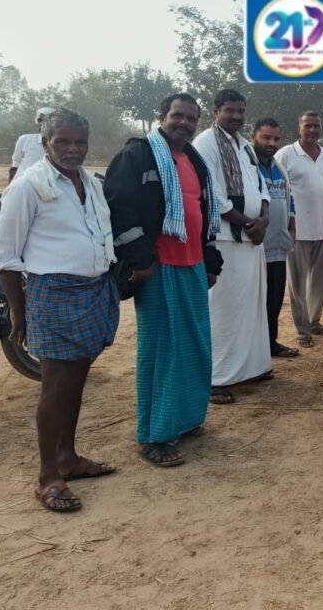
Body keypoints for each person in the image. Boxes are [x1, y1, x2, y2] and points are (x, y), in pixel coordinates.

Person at [0, 108, 119, 513]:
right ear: (45, 143)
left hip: (93, 291)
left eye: (80, 142)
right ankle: (48, 477)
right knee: (56, 386)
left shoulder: (89, 182)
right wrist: (19, 310)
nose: (73, 149)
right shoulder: (27, 187)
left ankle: (68, 458)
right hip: (53, 295)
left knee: (76, 380)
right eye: (62, 141)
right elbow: (5, 257)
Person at [104, 93, 223, 468]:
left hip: (192, 265)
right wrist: (140, 260)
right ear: (162, 117)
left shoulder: (194, 160)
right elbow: (119, 209)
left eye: (191, 118)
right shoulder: (137, 155)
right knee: (161, 352)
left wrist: (209, 260)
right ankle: (153, 435)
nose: (184, 123)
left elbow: (203, 211)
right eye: (178, 115)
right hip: (157, 269)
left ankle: (184, 419)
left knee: (194, 346)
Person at [192, 89, 273, 405]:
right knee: (223, 310)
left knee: (250, 307)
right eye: (230, 110)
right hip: (226, 238)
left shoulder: (244, 145)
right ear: (216, 111)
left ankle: (251, 367)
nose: (236, 116)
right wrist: (247, 223)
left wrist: (263, 219)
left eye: (241, 111)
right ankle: (217, 377)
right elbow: (212, 193)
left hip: (251, 239)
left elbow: (260, 186)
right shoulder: (206, 143)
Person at [276, 111, 323, 348]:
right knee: (298, 284)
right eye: (307, 125)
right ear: (299, 128)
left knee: (321, 282)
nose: (312, 130)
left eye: (316, 126)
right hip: (297, 231)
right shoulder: (286, 154)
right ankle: (302, 330)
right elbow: (276, 187)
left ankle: (314, 321)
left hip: (322, 228)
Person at [252, 117, 299, 359]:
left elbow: (289, 197)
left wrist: (292, 225)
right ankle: (254, 349)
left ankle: (270, 343)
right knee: (254, 301)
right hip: (256, 246)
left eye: (276, 139)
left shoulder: (278, 167)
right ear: (253, 137)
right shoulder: (248, 165)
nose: (271, 143)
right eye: (266, 137)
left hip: (278, 246)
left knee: (274, 299)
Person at [8, 107, 56, 182]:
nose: (42, 123)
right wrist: (11, 185)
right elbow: (16, 163)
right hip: (24, 184)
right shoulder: (25, 140)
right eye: (39, 120)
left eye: (47, 120)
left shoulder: (64, 144)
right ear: (35, 121)